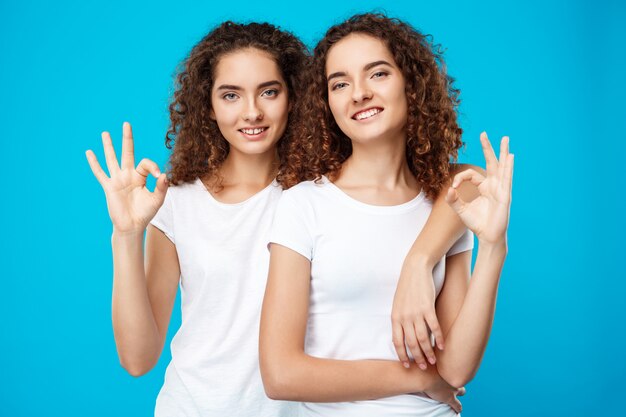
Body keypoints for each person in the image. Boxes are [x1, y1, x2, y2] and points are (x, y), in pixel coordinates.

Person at [260, 13, 513, 417]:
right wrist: (420, 379)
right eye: (339, 83)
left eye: (377, 74)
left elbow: (458, 367)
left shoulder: (448, 207)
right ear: (328, 104)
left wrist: (492, 248)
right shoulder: (303, 205)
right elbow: (280, 376)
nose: (358, 93)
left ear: (411, 85)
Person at [85, 21, 308, 417]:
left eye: (269, 92)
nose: (252, 111)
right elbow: (138, 359)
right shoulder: (177, 203)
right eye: (231, 95)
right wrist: (126, 235)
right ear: (209, 104)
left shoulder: (319, 195)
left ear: (292, 97)